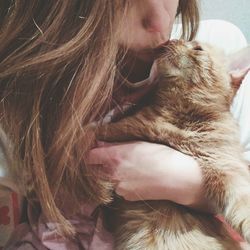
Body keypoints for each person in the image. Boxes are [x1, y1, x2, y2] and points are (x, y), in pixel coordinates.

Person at [0, 0, 249, 249]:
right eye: (122, 3)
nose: (159, 23)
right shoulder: (26, 93)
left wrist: (188, 183)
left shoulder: (219, 44)